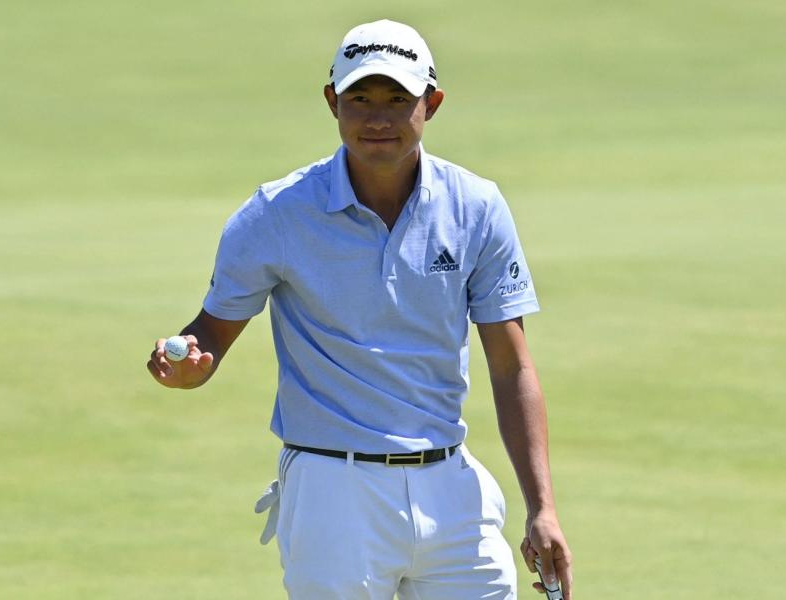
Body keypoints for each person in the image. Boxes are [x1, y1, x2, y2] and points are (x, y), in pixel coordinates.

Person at [147, 19, 573, 600]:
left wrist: (542, 507)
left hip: (452, 486)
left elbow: (511, 365)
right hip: (331, 490)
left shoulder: (476, 206)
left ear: (433, 103)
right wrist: (190, 364)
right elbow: (211, 332)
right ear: (332, 102)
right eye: (360, 99)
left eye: (399, 99)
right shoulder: (277, 212)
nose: (378, 118)